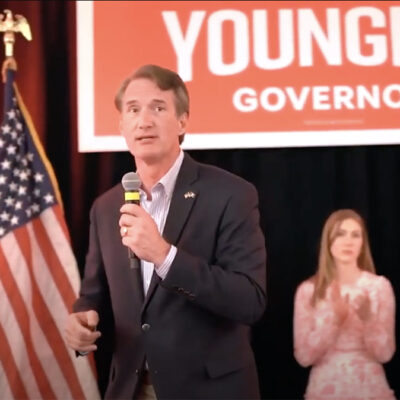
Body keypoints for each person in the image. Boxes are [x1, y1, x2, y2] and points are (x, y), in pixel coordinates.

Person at [65, 64, 267, 399]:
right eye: (133, 110)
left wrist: (164, 255)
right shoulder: (105, 207)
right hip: (131, 389)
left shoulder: (231, 194)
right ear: (122, 125)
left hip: (209, 390)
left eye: (158, 108)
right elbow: (93, 294)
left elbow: (249, 301)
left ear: (183, 121)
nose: (144, 121)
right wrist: (82, 321)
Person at [293, 209, 396, 400]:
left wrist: (368, 320)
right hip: (325, 388)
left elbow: (385, 354)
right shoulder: (308, 291)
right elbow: (304, 357)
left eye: (355, 235)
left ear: (362, 243)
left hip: (370, 389)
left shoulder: (379, 287)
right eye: (341, 234)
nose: (348, 241)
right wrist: (335, 320)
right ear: (329, 240)